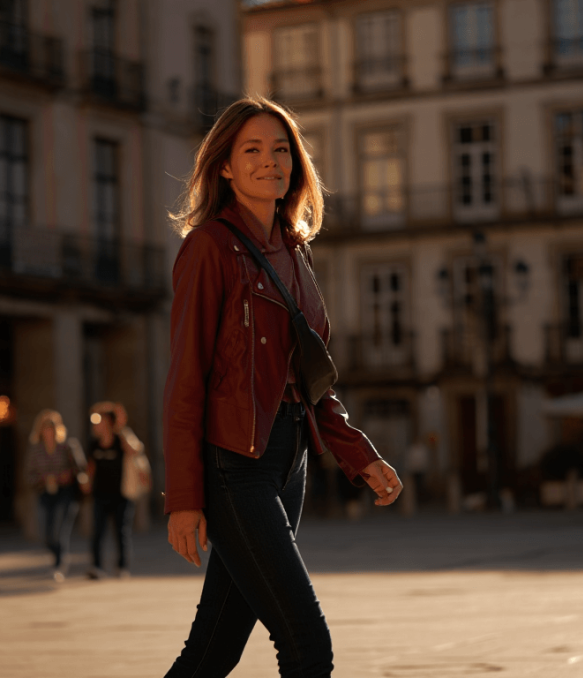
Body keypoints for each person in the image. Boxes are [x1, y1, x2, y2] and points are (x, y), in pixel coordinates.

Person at [162, 95, 403, 678]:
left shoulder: (294, 251)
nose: (270, 161)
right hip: (233, 466)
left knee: (213, 648)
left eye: (281, 150)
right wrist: (184, 498)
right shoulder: (209, 248)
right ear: (224, 165)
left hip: (288, 461)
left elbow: (310, 376)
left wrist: (357, 454)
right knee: (306, 642)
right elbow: (186, 377)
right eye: (252, 150)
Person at [25, 409, 87, 582]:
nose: (48, 431)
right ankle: (57, 557)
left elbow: (81, 467)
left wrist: (67, 475)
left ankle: (59, 565)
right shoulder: (36, 449)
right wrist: (42, 479)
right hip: (45, 492)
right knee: (46, 532)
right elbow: (29, 474)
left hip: (65, 492)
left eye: (51, 427)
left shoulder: (67, 446)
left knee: (60, 530)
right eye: (45, 427)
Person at [86, 402, 139, 579]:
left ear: (108, 421)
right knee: (98, 532)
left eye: (99, 420)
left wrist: (121, 428)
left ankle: (122, 567)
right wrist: (85, 482)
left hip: (122, 495)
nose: (95, 424)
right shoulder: (94, 445)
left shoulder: (120, 440)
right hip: (100, 494)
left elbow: (135, 451)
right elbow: (90, 468)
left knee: (121, 532)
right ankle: (96, 567)